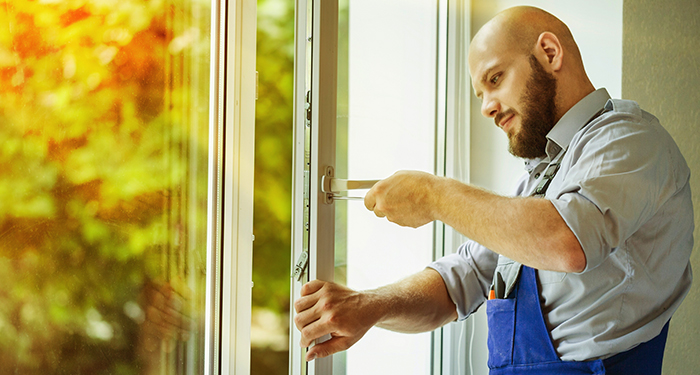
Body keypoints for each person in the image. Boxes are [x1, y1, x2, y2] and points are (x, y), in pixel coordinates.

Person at [293, 6, 693, 374]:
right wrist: (369, 307)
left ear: (550, 53)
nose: (486, 106)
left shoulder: (628, 140)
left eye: (495, 79)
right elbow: (459, 282)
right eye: (480, 94)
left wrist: (433, 195)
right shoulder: (541, 180)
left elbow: (567, 241)